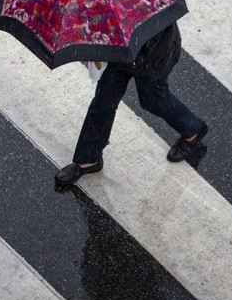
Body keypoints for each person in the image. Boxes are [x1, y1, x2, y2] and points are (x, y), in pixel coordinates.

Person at [54, 22, 208, 187]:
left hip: (155, 54)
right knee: (103, 101)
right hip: (119, 50)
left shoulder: (149, 2)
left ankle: (193, 128)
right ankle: (88, 159)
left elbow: (153, 32)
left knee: (153, 99)